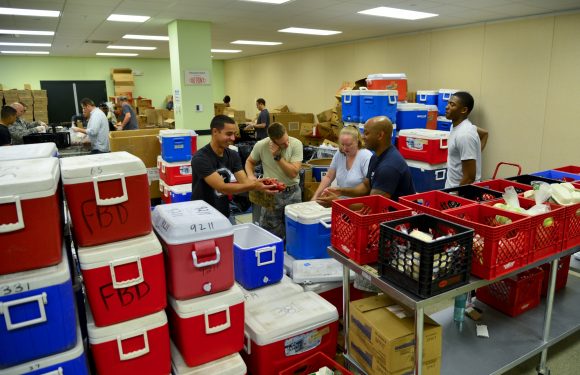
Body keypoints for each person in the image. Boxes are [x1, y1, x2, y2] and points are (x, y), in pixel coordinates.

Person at [191, 115, 277, 219]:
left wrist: (263, 185)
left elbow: (244, 182)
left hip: (224, 213)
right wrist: (254, 186)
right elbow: (222, 188)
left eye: (234, 134)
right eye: (229, 134)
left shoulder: (232, 154)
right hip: (202, 215)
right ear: (215, 132)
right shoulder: (200, 158)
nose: (233, 138)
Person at [317, 116, 415, 204]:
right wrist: (341, 191)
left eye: (366, 133)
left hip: (397, 219)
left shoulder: (389, 167)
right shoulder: (376, 157)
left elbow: (371, 206)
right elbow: (365, 187)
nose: (363, 137)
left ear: (380, 135)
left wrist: (336, 202)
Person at [245, 122, 303, 239]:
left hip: (293, 193)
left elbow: (292, 173)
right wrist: (251, 178)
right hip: (271, 194)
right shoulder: (261, 145)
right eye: (282, 143)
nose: (286, 144)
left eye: (287, 140)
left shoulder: (296, 144)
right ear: (272, 141)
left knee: (294, 231)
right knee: (270, 232)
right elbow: (249, 162)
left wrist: (277, 156)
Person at [311, 126, 373, 201]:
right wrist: (316, 196)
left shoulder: (366, 156)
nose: (345, 148)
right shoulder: (339, 153)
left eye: (348, 145)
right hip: (340, 200)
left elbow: (368, 186)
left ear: (357, 141)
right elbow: (329, 177)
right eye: (342, 144)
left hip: (358, 204)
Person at [444, 91, 483, 188]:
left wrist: (456, 197)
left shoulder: (465, 135)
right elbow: (485, 134)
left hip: (459, 192)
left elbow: (469, 178)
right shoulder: (456, 126)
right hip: (450, 187)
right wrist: (475, 153)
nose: (447, 107)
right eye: (448, 103)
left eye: (452, 105)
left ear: (464, 110)